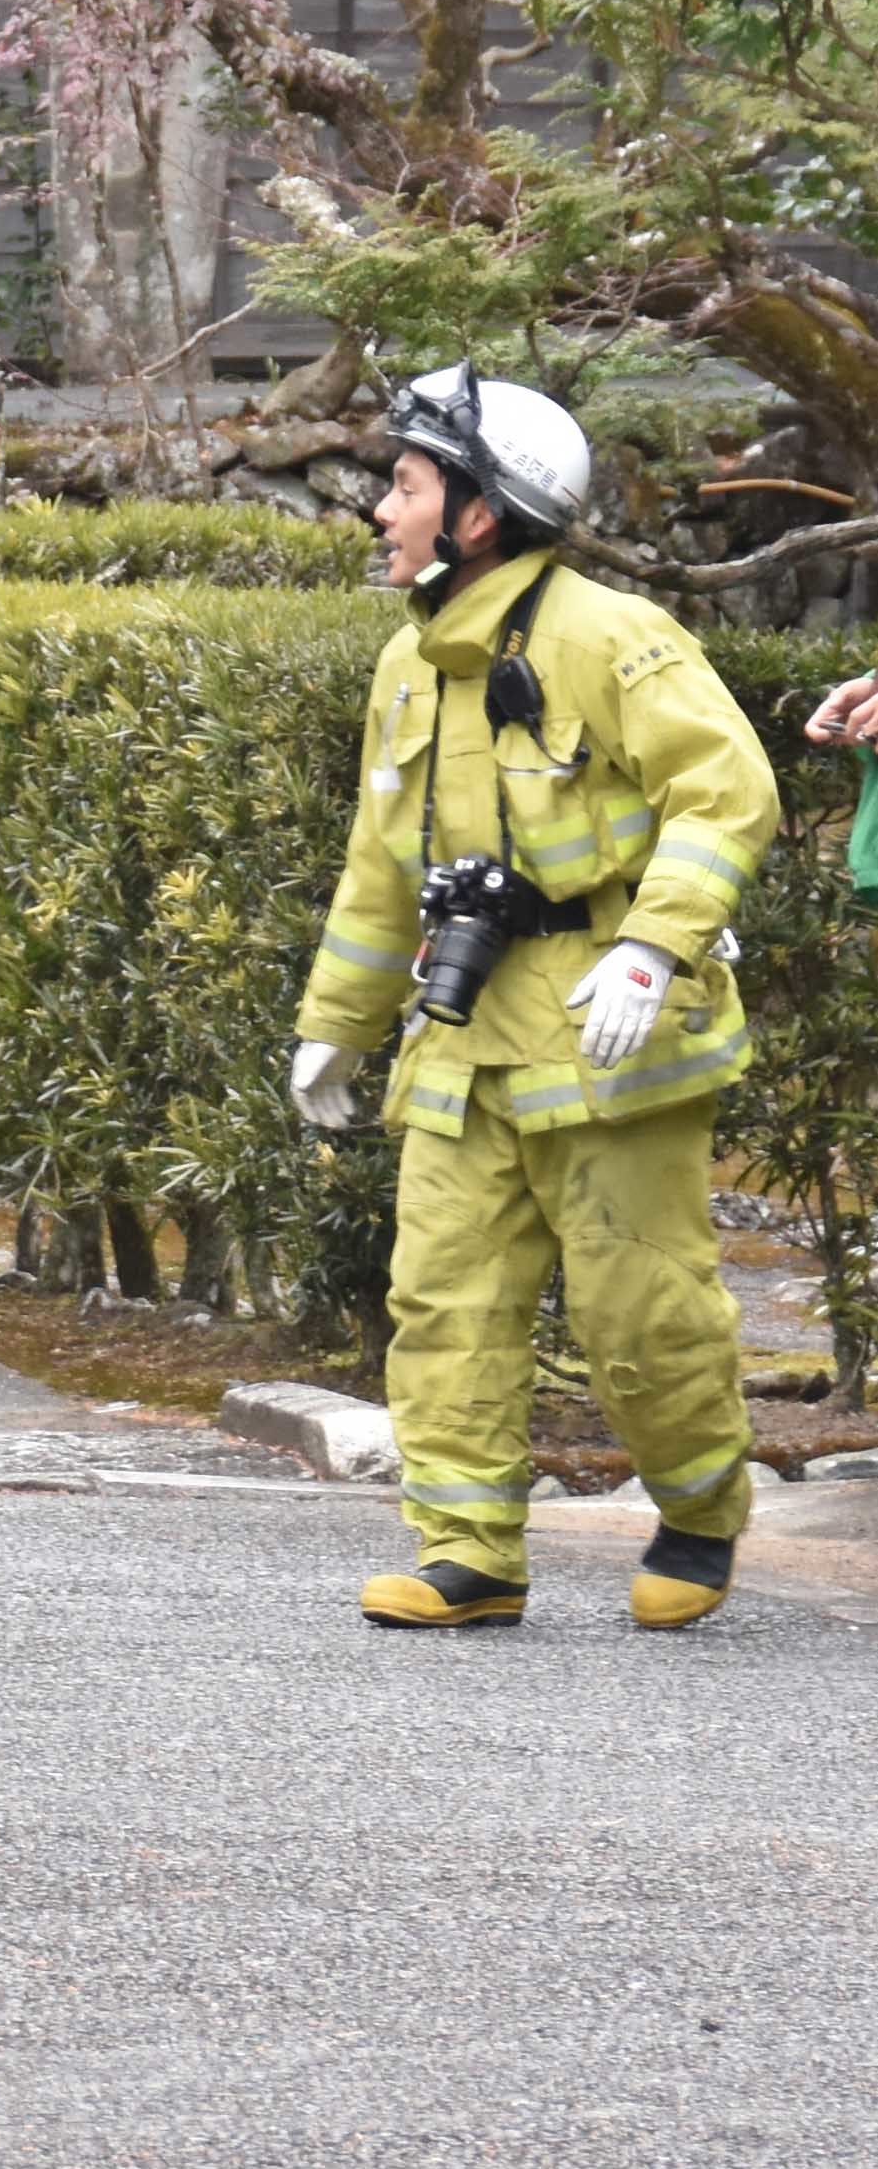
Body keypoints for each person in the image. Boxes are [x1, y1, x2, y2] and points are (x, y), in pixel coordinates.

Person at [290, 367, 777, 1632]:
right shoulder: (408, 662)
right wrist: (332, 1027)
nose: (379, 508)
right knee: (443, 1299)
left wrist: (653, 946)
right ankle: (467, 1551)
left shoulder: (608, 636)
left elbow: (725, 793)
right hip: (463, 1038)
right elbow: (379, 866)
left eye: (404, 484)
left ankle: (697, 1513)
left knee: (641, 1305)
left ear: (477, 513)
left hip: (609, 1034)